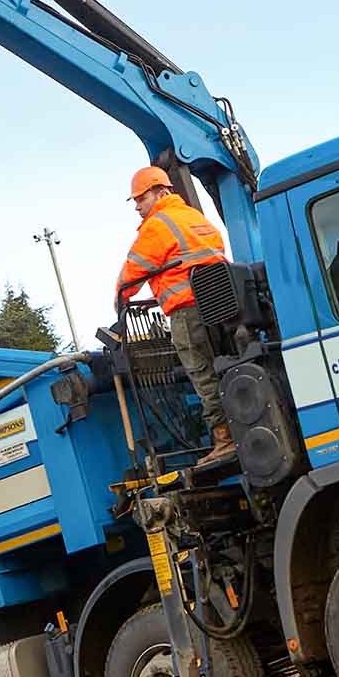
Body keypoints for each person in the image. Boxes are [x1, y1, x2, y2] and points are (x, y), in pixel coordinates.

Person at [114, 166, 236, 466]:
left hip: (187, 312)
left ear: (161, 192)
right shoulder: (195, 217)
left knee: (202, 374)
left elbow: (129, 277)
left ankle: (224, 439)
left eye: (141, 199)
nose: (138, 207)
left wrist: (119, 308)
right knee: (227, 368)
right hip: (223, 307)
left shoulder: (158, 226)